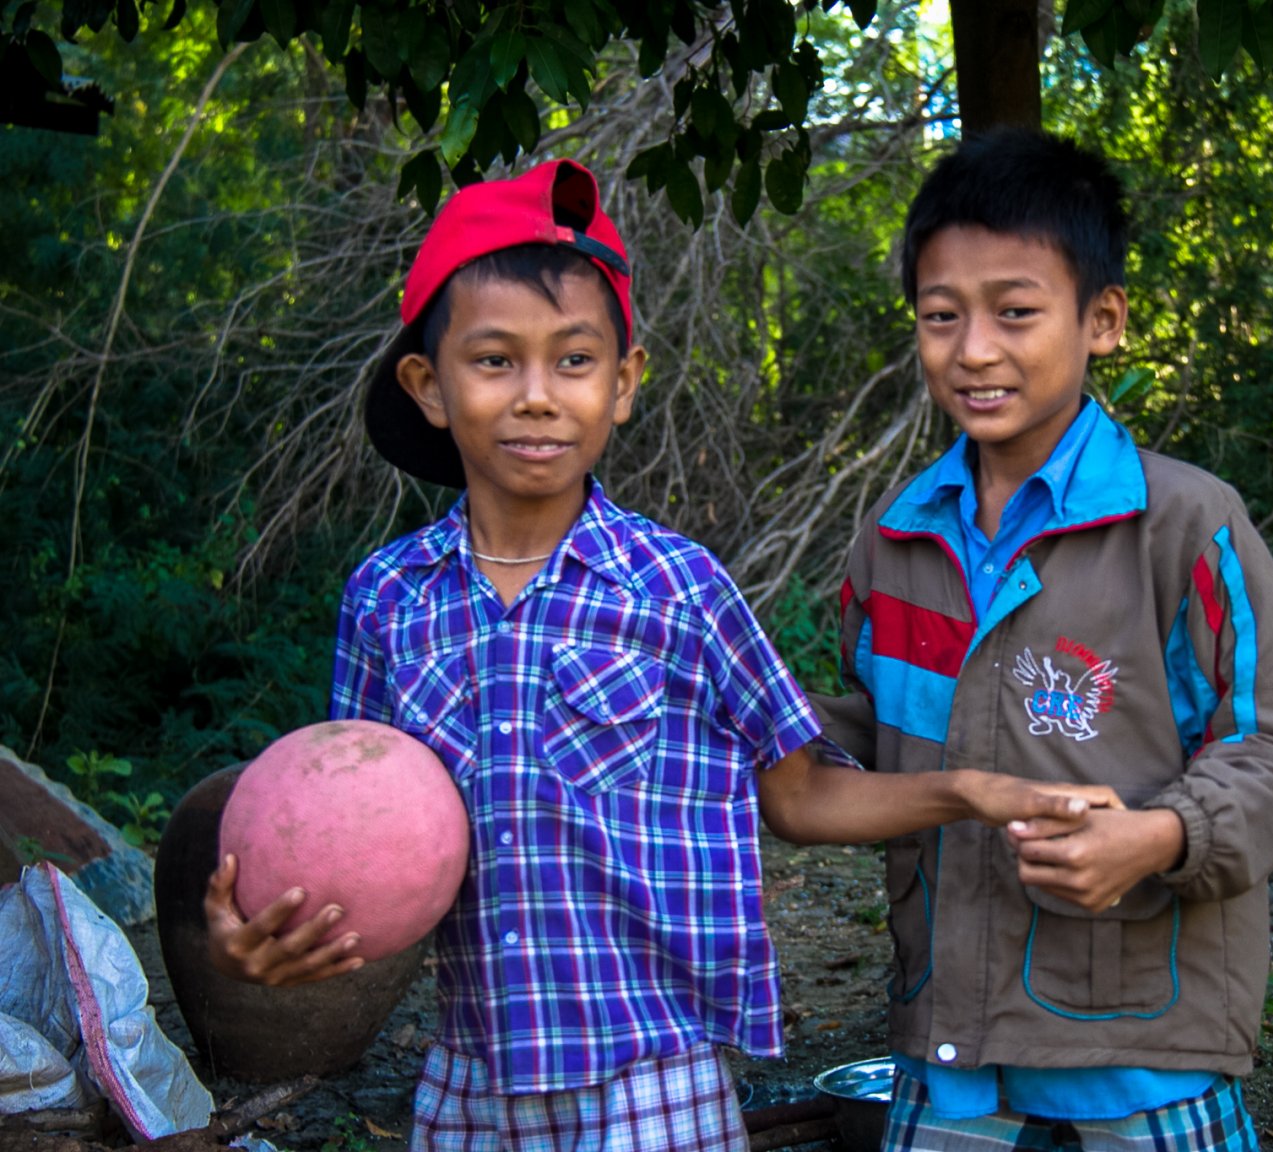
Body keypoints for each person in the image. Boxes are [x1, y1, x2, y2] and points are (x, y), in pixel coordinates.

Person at [199, 157, 1102, 1152]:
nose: (537, 396)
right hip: (468, 1086)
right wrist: (269, 940)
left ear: (623, 383)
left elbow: (798, 796)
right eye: (495, 361)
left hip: (651, 1082)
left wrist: (964, 791)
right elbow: (364, 845)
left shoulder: (677, 589)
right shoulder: (387, 601)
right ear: (429, 385)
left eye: (574, 361)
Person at [754, 129, 1273, 1150]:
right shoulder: (895, 538)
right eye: (942, 318)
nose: (974, 349)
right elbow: (874, 734)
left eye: (1015, 312)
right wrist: (750, 733)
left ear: (1100, 320)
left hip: (1144, 1056)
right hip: (948, 1047)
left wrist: (1160, 838)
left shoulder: (1181, 526)